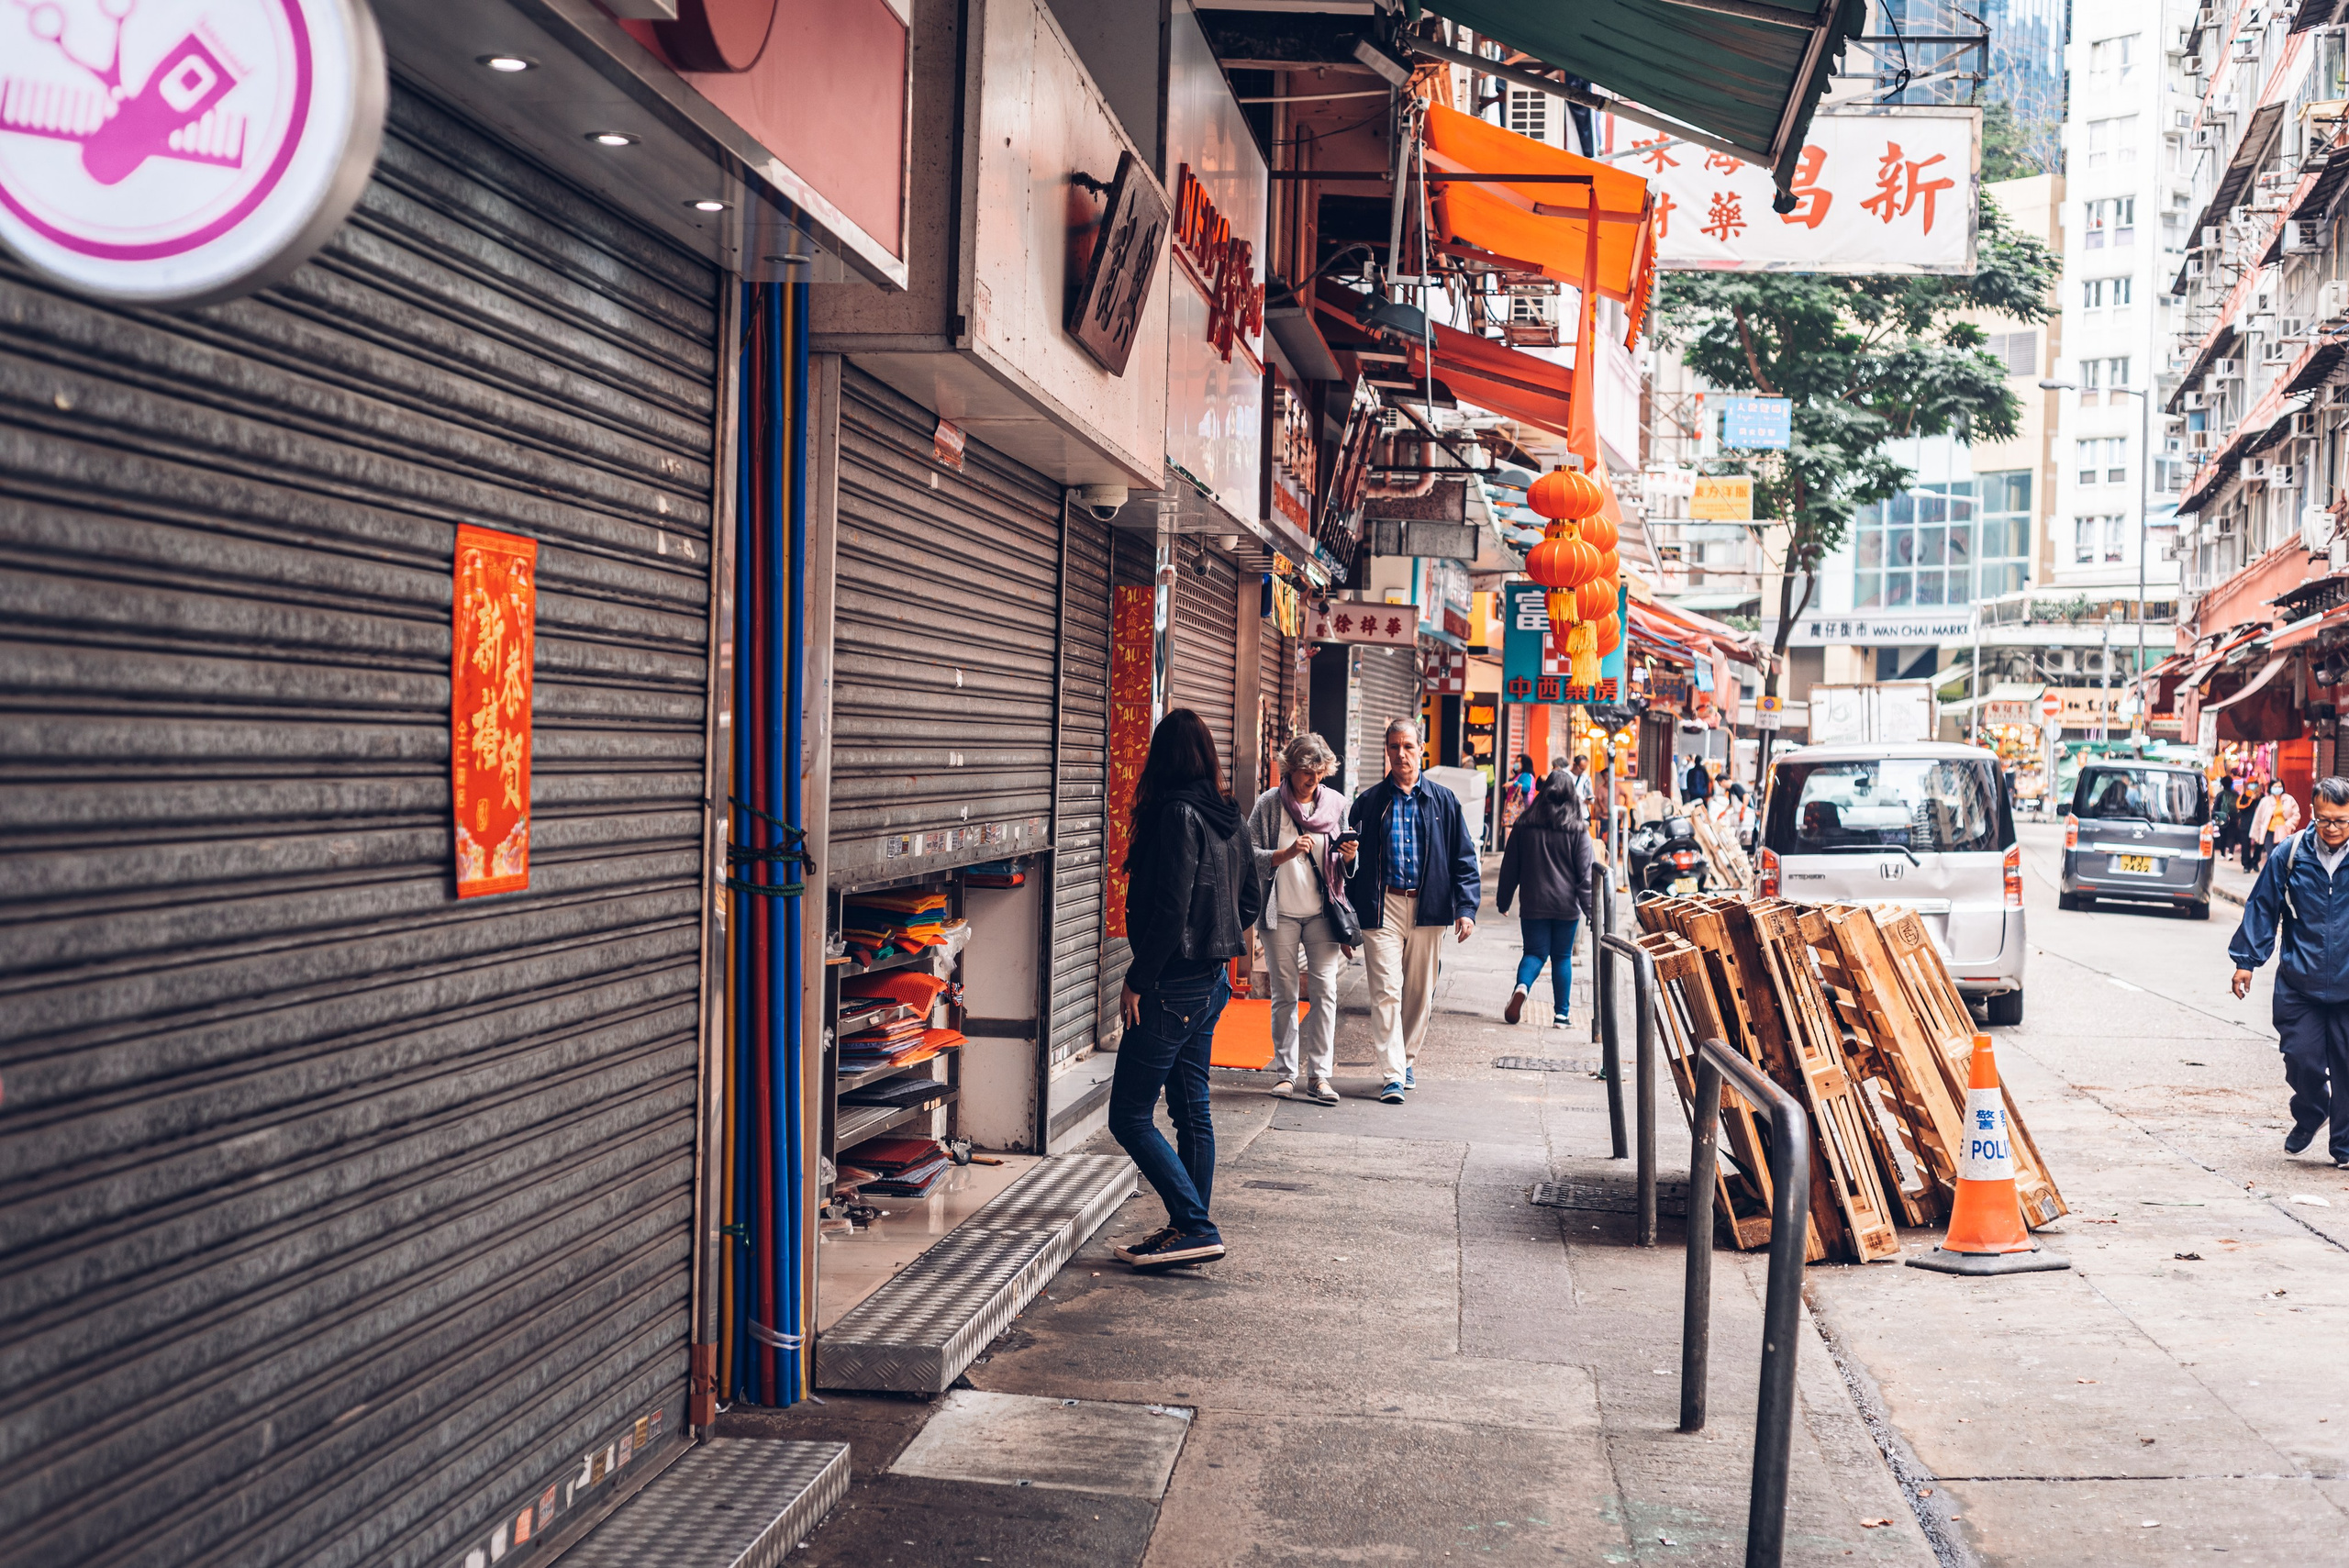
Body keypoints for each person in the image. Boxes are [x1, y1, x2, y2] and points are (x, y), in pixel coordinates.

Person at [1113, 708, 1262, 1270]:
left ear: (1165, 757)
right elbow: (1251, 897)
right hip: (1209, 983)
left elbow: (1172, 909)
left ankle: (1195, 1223)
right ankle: (1188, 1228)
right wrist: (1220, 943)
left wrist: (1137, 979)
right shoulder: (1228, 813)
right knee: (1190, 1109)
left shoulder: (1176, 814)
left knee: (1129, 1115)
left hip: (1172, 985)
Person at [1341, 718, 1482, 1104]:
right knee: (1386, 990)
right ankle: (1392, 1073)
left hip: (1430, 906)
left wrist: (1466, 907)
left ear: (1421, 749)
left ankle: (1405, 1059)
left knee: (1419, 993)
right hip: (1382, 906)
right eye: (1393, 747)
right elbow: (1347, 865)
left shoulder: (1443, 801)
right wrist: (1347, 906)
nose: (1400, 754)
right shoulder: (1369, 803)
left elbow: (1463, 858)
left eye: (1407, 746)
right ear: (1386, 751)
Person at [2231, 777, 2349, 1167]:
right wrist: (2246, 961)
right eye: (2325, 820)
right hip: (2301, 982)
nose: (2332, 828)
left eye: (2341, 821)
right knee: (2301, 1059)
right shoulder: (2291, 853)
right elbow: (2263, 906)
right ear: (2311, 814)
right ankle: (2312, 1110)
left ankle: (2344, 1144)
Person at [1247, 732, 1353, 1106]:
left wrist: (1349, 857)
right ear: (1290, 769)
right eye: (1307, 771)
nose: (1313, 779)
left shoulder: (1337, 805)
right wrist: (1286, 852)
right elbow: (1248, 855)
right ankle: (1286, 1074)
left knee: (1325, 991)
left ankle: (1320, 1076)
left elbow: (1342, 864)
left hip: (1323, 912)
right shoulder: (1269, 805)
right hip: (1280, 914)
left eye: (1319, 772)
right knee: (1284, 994)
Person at [1496, 765, 1599, 1027]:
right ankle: (1562, 1015)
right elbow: (1585, 876)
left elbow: (1511, 865)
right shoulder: (1577, 829)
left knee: (1534, 953)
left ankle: (1522, 987)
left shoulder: (1525, 824)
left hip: (1533, 902)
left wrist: (1504, 899)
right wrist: (1592, 912)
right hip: (1566, 906)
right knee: (1561, 957)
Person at [2245, 780, 2299, 872]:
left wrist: (2289, 825)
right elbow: (2258, 819)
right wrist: (2257, 835)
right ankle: (2273, 875)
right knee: (2271, 855)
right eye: (2275, 787)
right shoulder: (2265, 801)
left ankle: (2279, 874)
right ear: (2270, 788)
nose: (2278, 789)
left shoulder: (2289, 799)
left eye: (2279, 786)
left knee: (2283, 855)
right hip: (2269, 832)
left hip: (2284, 832)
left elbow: (2296, 815)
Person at [1498, 751, 1536, 849]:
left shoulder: (1526, 775)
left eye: (1518, 761)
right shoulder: (1521, 775)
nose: (1516, 763)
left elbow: (1527, 788)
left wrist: (1513, 783)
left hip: (1522, 808)